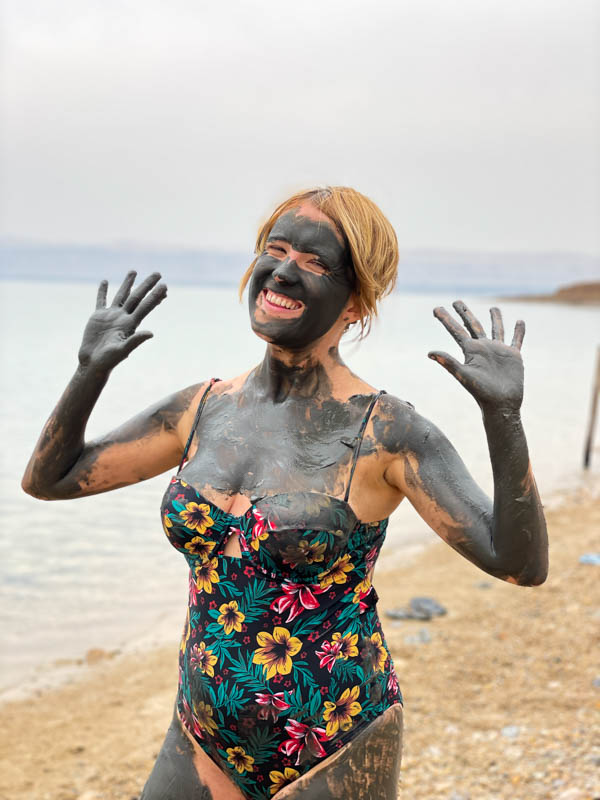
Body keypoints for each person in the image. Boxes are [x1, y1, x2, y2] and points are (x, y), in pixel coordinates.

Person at [22, 186, 548, 800]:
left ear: (356, 303)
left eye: (317, 263)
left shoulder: (384, 431)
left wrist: (503, 419)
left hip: (336, 744)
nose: (284, 271)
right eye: (275, 249)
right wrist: (90, 371)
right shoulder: (203, 409)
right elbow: (51, 481)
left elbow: (518, 563)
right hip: (201, 732)